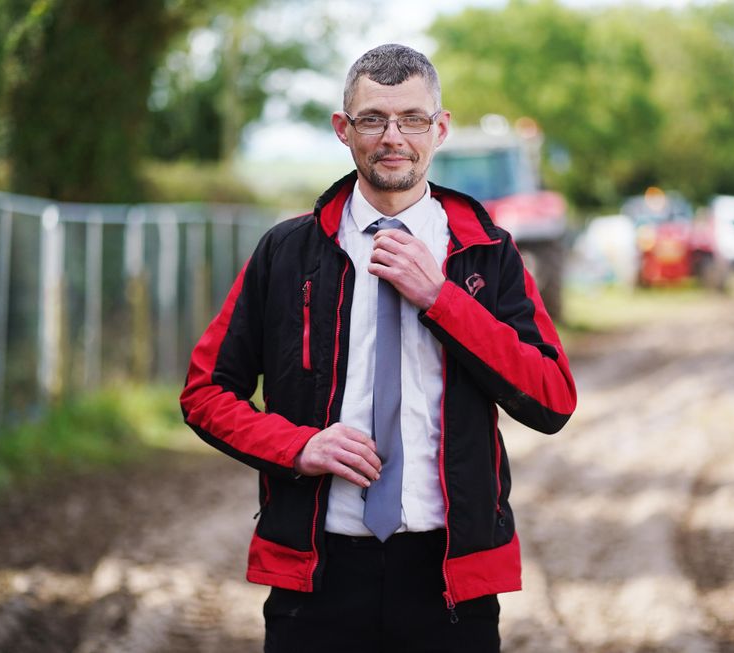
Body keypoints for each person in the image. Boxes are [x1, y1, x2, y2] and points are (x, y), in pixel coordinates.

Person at [180, 43, 577, 653]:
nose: (394, 137)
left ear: (439, 129)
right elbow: (206, 393)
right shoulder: (285, 253)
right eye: (373, 119)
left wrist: (440, 299)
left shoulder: (488, 252)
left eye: (412, 119)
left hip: (450, 581)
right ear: (345, 130)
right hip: (318, 578)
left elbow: (552, 399)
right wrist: (299, 446)